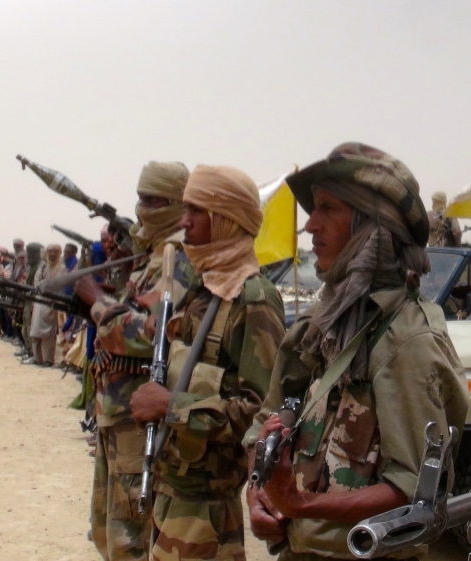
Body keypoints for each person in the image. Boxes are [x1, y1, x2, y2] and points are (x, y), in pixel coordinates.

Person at [244, 142, 468, 560]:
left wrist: (299, 504)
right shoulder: (319, 326)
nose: (310, 225)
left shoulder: (407, 341)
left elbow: (416, 491)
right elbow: (266, 420)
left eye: (328, 208)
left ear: (371, 226)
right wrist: (258, 490)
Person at [128, 164, 286, 561]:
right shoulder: (203, 288)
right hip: (171, 487)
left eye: (196, 211)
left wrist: (171, 406)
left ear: (225, 219)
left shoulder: (253, 299)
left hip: (207, 508)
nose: (185, 221)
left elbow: (262, 413)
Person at [74, 161, 199, 561]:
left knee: (131, 539)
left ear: (177, 203)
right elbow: (132, 311)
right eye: (140, 199)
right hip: (116, 411)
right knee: (107, 531)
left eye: (152, 200)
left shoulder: (178, 255)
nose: (142, 210)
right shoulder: (154, 254)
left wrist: (97, 302)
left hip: (139, 418)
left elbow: (154, 334)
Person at [29, 244, 64, 366]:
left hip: (52, 303)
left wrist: (46, 286)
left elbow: (57, 284)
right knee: (35, 332)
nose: (52, 254)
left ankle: (48, 360)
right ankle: (37, 358)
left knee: (49, 335)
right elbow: (37, 283)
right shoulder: (43, 268)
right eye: (50, 251)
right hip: (39, 303)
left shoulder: (61, 269)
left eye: (55, 251)